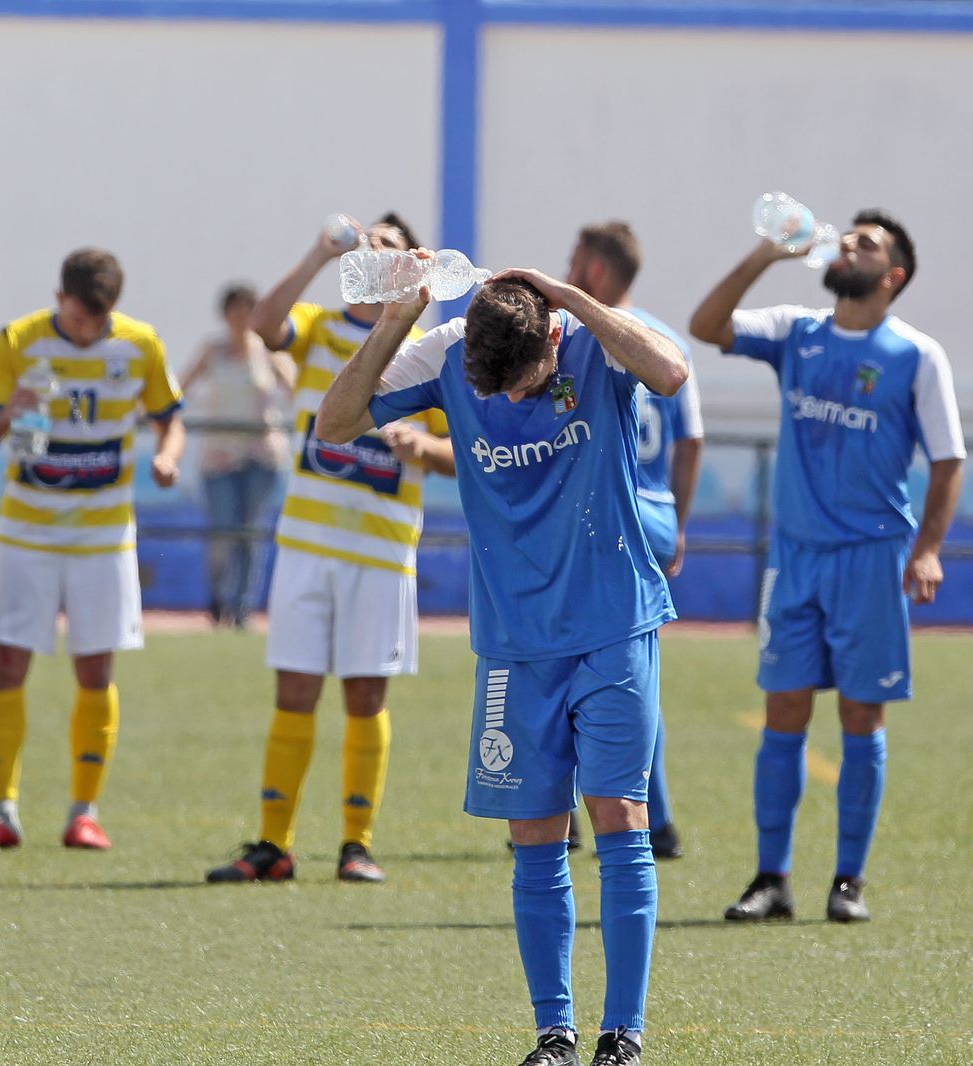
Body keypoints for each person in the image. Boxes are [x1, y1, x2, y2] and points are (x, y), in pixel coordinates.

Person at [316, 264, 688, 1065]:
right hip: (515, 641)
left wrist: (571, 297)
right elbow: (334, 424)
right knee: (533, 836)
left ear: (552, 338)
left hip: (613, 623)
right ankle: (553, 1035)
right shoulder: (451, 351)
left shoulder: (593, 344)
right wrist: (393, 323)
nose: (512, 401)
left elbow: (672, 370)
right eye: (496, 391)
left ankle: (623, 1035)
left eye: (523, 384)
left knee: (620, 819)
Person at [688, 210, 965, 924]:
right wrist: (763, 254)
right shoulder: (797, 331)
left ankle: (849, 882)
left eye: (866, 244)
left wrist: (927, 548)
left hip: (871, 559)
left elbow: (947, 461)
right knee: (784, 708)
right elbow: (706, 325)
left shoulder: (915, 355)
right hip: (796, 558)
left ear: (892, 274)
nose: (848, 246)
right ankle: (771, 878)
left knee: (860, 714)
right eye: (848, 238)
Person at [204, 214, 453, 886]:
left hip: (379, 553)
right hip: (307, 546)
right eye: (370, 242)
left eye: (392, 246)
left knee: (367, 696)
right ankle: (273, 844)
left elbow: (470, 449)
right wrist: (319, 250)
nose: (376, 252)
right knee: (293, 691)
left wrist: (425, 448)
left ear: (413, 265)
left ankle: (356, 843)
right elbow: (261, 325)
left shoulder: (428, 347)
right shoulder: (317, 326)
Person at [0, 247, 185, 850]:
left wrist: (167, 456)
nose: (90, 333)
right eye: (81, 321)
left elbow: (171, 417)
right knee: (10, 663)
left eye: (101, 321)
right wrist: (12, 411)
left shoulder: (140, 345)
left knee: (95, 668)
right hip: (26, 532)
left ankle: (84, 812)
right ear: (59, 300)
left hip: (103, 534)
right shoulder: (18, 340)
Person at [567, 222, 703, 860]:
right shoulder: (664, 338)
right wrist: (680, 522)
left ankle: (562, 809)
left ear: (593, 269)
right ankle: (661, 818)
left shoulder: (574, 332)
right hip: (654, 515)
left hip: (600, 516)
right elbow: (691, 437)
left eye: (574, 258)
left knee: (564, 657)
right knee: (634, 666)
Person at [178, 283, 294, 628]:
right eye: (237, 309)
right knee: (222, 532)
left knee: (251, 534)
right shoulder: (212, 351)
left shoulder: (270, 352)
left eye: (249, 309)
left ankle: (243, 608)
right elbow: (178, 386)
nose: (243, 317)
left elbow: (299, 390)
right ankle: (218, 598)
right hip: (219, 456)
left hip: (261, 456)